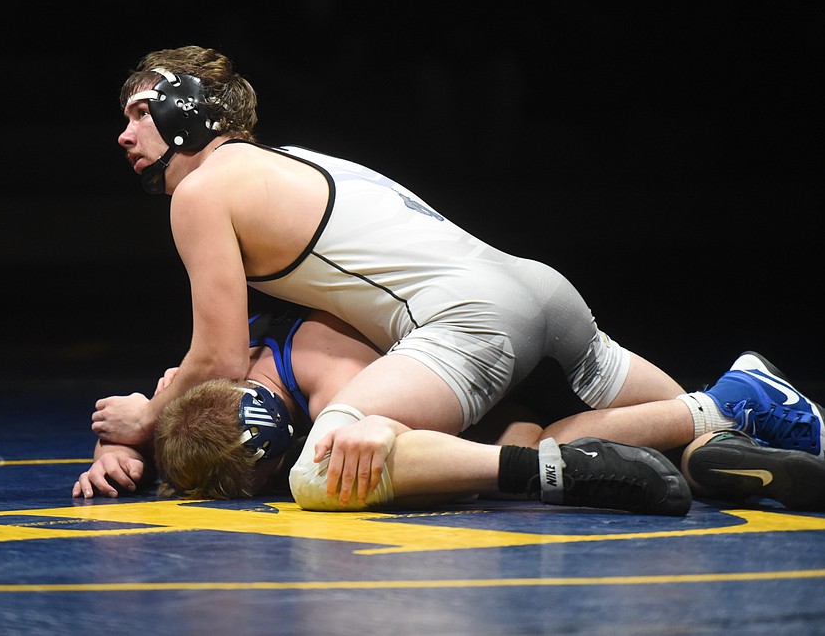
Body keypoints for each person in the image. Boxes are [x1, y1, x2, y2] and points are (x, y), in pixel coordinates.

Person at [95, 45, 823, 510]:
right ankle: (729, 414)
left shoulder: (201, 192)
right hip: (539, 290)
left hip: (466, 319)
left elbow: (220, 360)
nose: (125, 135)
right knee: (644, 448)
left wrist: (150, 419)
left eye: (139, 112)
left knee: (324, 465)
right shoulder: (290, 161)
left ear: (188, 106)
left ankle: (724, 402)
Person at [76, 305, 694, 516]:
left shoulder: (334, 382)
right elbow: (156, 413)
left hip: (524, 373)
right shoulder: (224, 366)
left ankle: (715, 410)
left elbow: (411, 454)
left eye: (261, 482)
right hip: (485, 347)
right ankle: (710, 437)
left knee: (534, 445)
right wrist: (122, 448)